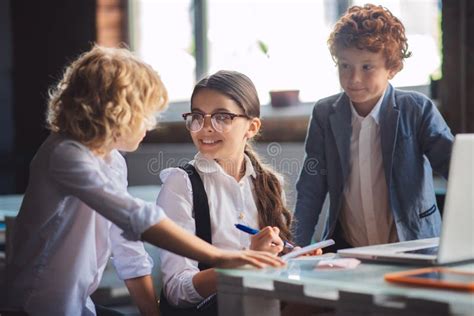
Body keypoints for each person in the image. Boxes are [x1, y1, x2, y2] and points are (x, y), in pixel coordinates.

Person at [5, 47, 284, 316]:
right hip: (32, 306)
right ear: (116, 112)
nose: (150, 125)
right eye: (145, 114)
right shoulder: (64, 153)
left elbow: (127, 249)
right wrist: (223, 259)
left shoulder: (112, 160)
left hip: (76, 305)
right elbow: (137, 217)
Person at [294, 4, 454, 250]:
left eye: (367, 67)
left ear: (392, 68)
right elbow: (311, 187)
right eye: (345, 66)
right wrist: (296, 246)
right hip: (349, 252)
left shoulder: (417, 109)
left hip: (414, 247)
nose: (354, 78)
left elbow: (455, 168)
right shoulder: (325, 114)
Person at [156, 70, 298, 314]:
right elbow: (177, 291)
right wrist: (247, 260)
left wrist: (296, 261)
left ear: (252, 127)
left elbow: (277, 271)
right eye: (197, 117)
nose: (206, 128)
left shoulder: (270, 183)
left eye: (222, 117)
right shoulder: (181, 184)